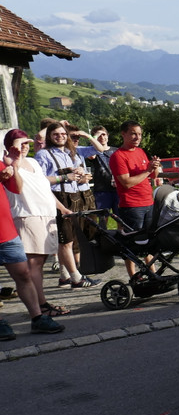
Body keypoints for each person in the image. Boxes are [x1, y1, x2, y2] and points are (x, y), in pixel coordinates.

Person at [0, 134, 63, 340]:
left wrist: (14, 166)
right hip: (22, 219)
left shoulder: (5, 163)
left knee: (24, 274)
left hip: (5, 231)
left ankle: (37, 318)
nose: (26, 146)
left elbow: (16, 188)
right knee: (31, 267)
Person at [34, 122, 100, 288]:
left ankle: (65, 276)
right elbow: (38, 180)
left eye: (63, 134)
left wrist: (80, 172)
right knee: (66, 241)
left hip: (75, 197)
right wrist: (64, 177)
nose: (60, 137)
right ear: (49, 136)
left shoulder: (71, 152)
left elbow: (98, 151)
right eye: (56, 134)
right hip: (57, 198)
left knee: (72, 239)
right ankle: (76, 278)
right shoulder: (43, 154)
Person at [109, 120, 160, 276]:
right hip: (131, 205)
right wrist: (148, 171)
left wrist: (154, 167)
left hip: (148, 202)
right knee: (131, 243)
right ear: (123, 134)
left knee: (148, 241)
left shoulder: (140, 151)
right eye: (133, 134)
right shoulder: (118, 156)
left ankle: (152, 272)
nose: (137, 137)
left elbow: (152, 177)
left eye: (139, 134)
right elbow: (126, 183)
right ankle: (133, 277)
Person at [87, 125, 118, 222]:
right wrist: (94, 139)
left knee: (120, 217)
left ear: (108, 135)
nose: (102, 137)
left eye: (104, 134)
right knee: (103, 218)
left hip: (118, 189)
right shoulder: (93, 151)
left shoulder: (117, 150)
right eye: (99, 135)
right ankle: (103, 232)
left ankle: (121, 231)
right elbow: (91, 156)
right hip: (102, 191)